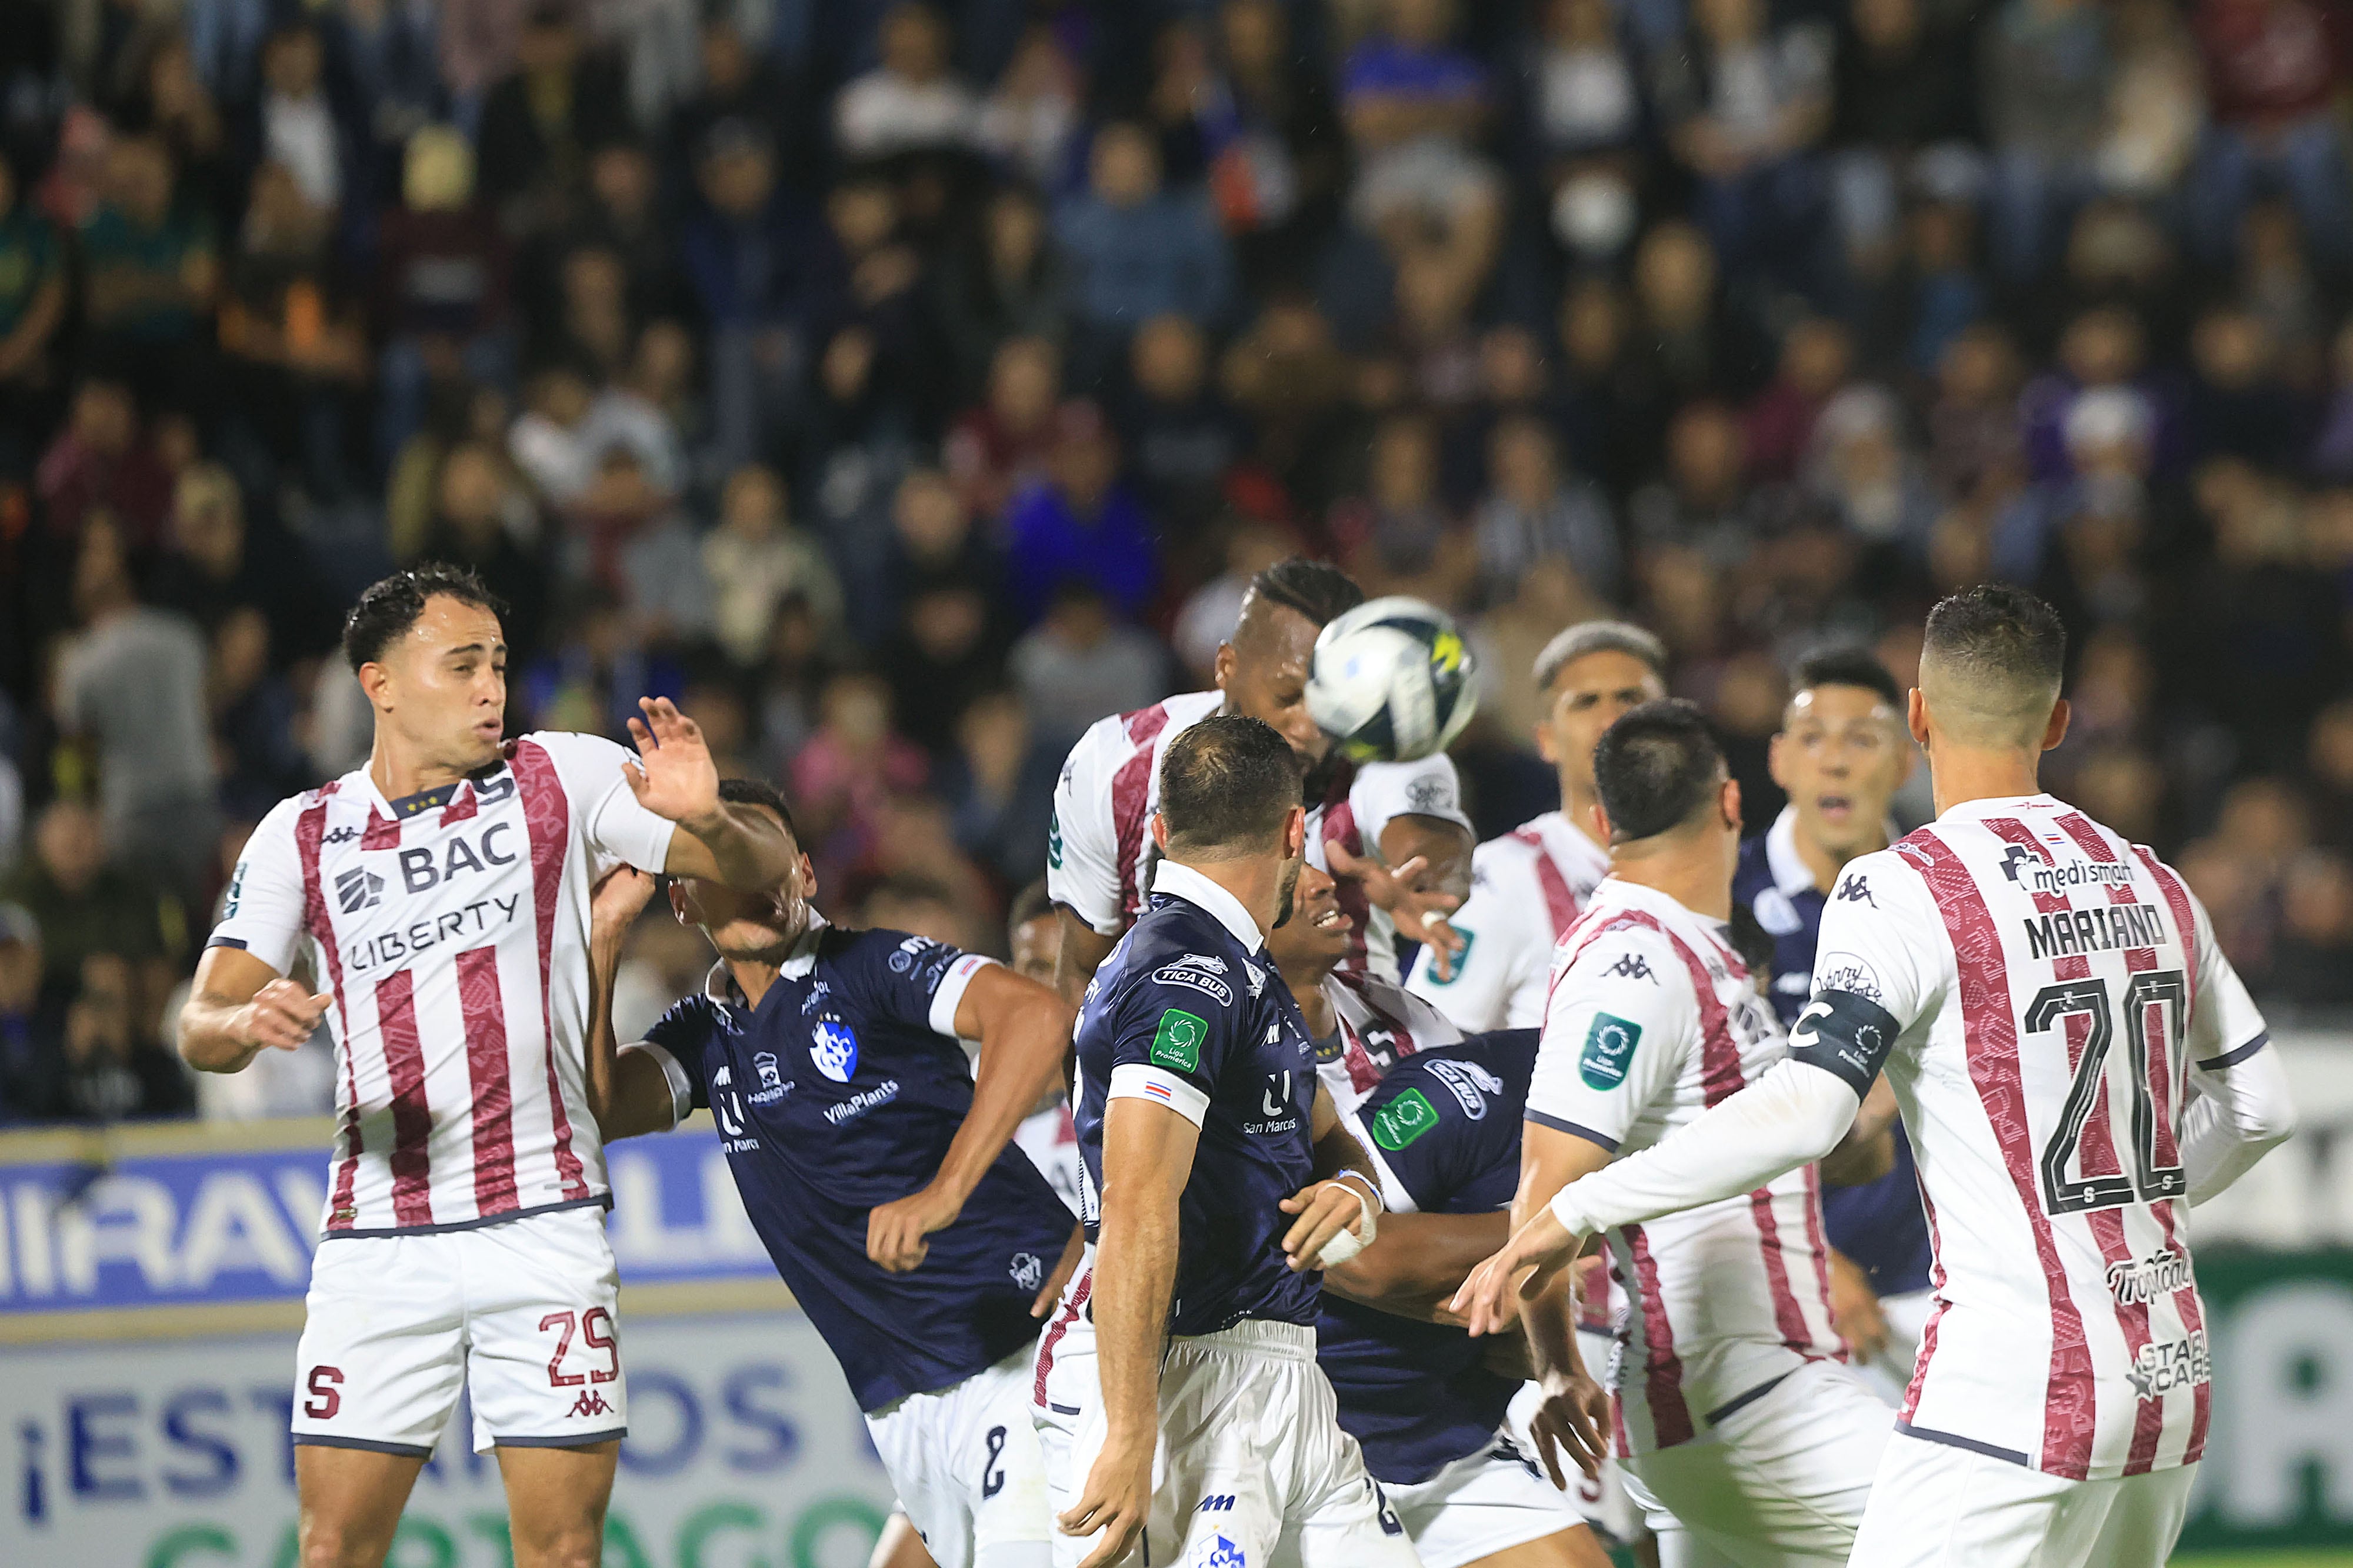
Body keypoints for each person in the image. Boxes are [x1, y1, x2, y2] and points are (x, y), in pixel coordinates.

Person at [1454, 588, 2299, 1568]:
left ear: (1919, 717)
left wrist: (1580, 1206)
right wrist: (2112, 1220)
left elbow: (1812, 1106)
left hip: (2013, 1381)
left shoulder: (1905, 885)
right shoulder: (2152, 879)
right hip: (2168, 1366)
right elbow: (2261, 1108)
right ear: (2057, 722)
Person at [178, 565, 799, 1568]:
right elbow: (199, 1023)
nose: (491, 690)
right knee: (333, 1548)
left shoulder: (562, 775)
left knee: (563, 1551)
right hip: (379, 1237)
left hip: (543, 1225)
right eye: (462, 665)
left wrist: (714, 819)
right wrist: (245, 1017)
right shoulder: (303, 832)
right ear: (380, 684)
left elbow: (764, 869)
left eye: (500, 665)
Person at [587, 777, 1082, 1568]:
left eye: (768, 856)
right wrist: (605, 937)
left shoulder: (868, 967)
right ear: (682, 900)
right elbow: (598, 1107)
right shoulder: (704, 1035)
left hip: (1021, 1346)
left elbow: (1035, 1014)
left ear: (806, 873)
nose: (755, 876)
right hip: (902, 1399)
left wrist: (943, 1193)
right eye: (725, 861)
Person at [1489, 700, 1892, 1567]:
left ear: (1605, 820)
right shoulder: (1630, 963)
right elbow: (1545, 1187)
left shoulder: (1698, 947)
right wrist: (1554, 1364)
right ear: (1732, 801)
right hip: (1738, 1393)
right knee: (1999, 1532)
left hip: (1746, 1390)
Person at [1038, 715, 1415, 1568]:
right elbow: (1138, 1203)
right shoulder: (1183, 976)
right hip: (1189, 1382)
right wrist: (1130, 1433)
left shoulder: (1242, 969)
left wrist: (1353, 1189)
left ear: (1160, 831)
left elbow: (1332, 1139)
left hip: (1287, 1375)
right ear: (1294, 830)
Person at [1267, 860, 1614, 1567]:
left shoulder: (1407, 1018)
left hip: (1437, 1421)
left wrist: (1540, 1342)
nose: (1323, 883)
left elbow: (1485, 1205)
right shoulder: (1219, 1038)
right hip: (1298, 1430)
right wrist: (1567, 1227)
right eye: (1290, 874)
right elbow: (1338, 1251)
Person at [1048, 556, 1474, 1004]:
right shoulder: (1114, 766)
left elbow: (1430, 846)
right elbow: (1082, 972)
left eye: (1330, 704)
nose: (1309, 728)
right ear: (1226, 666)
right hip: (1171, 1036)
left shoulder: (1382, 754)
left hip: (1345, 1036)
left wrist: (1427, 881)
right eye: (1288, 697)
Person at [1732, 648, 1927, 1397]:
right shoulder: (1722, 900)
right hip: (1771, 1298)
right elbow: (1694, 1111)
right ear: (1779, 759)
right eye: (1813, 738)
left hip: (1934, 1288)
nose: (1835, 762)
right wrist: (1808, 1258)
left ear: (1904, 763)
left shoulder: (1941, 896)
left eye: (1862, 739)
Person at [1409, 621, 1667, 1030]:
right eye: (1586, 702)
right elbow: (1431, 1040)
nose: (1612, 720)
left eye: (1630, 698)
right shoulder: (1504, 876)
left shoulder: (1720, 866)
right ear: (1547, 740)